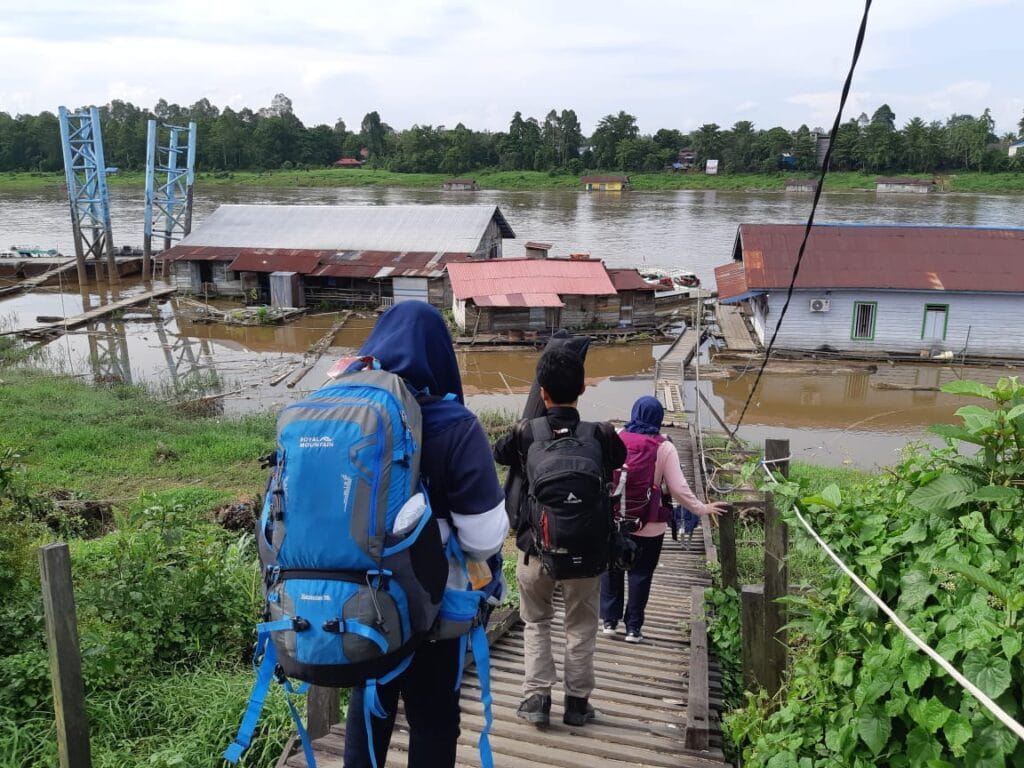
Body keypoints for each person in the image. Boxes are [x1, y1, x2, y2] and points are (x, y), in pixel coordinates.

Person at [343, 301, 509, 768]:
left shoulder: (346, 415)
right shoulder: (455, 426)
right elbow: (484, 540)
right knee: (433, 720)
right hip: (432, 613)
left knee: (367, 713)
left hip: (355, 602)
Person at [493, 345, 626, 728]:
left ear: (542, 392)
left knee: (536, 622)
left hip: (536, 550)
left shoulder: (524, 433)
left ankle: (537, 698)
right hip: (588, 553)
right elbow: (617, 459)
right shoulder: (600, 434)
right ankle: (577, 704)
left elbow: (500, 455)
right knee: (580, 627)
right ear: (583, 389)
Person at [600, 395, 728, 643]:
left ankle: (609, 621)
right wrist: (701, 508)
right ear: (658, 418)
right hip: (650, 522)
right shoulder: (664, 446)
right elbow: (678, 488)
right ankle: (633, 629)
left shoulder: (615, 436)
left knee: (612, 569)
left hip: (614, 520)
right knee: (641, 573)